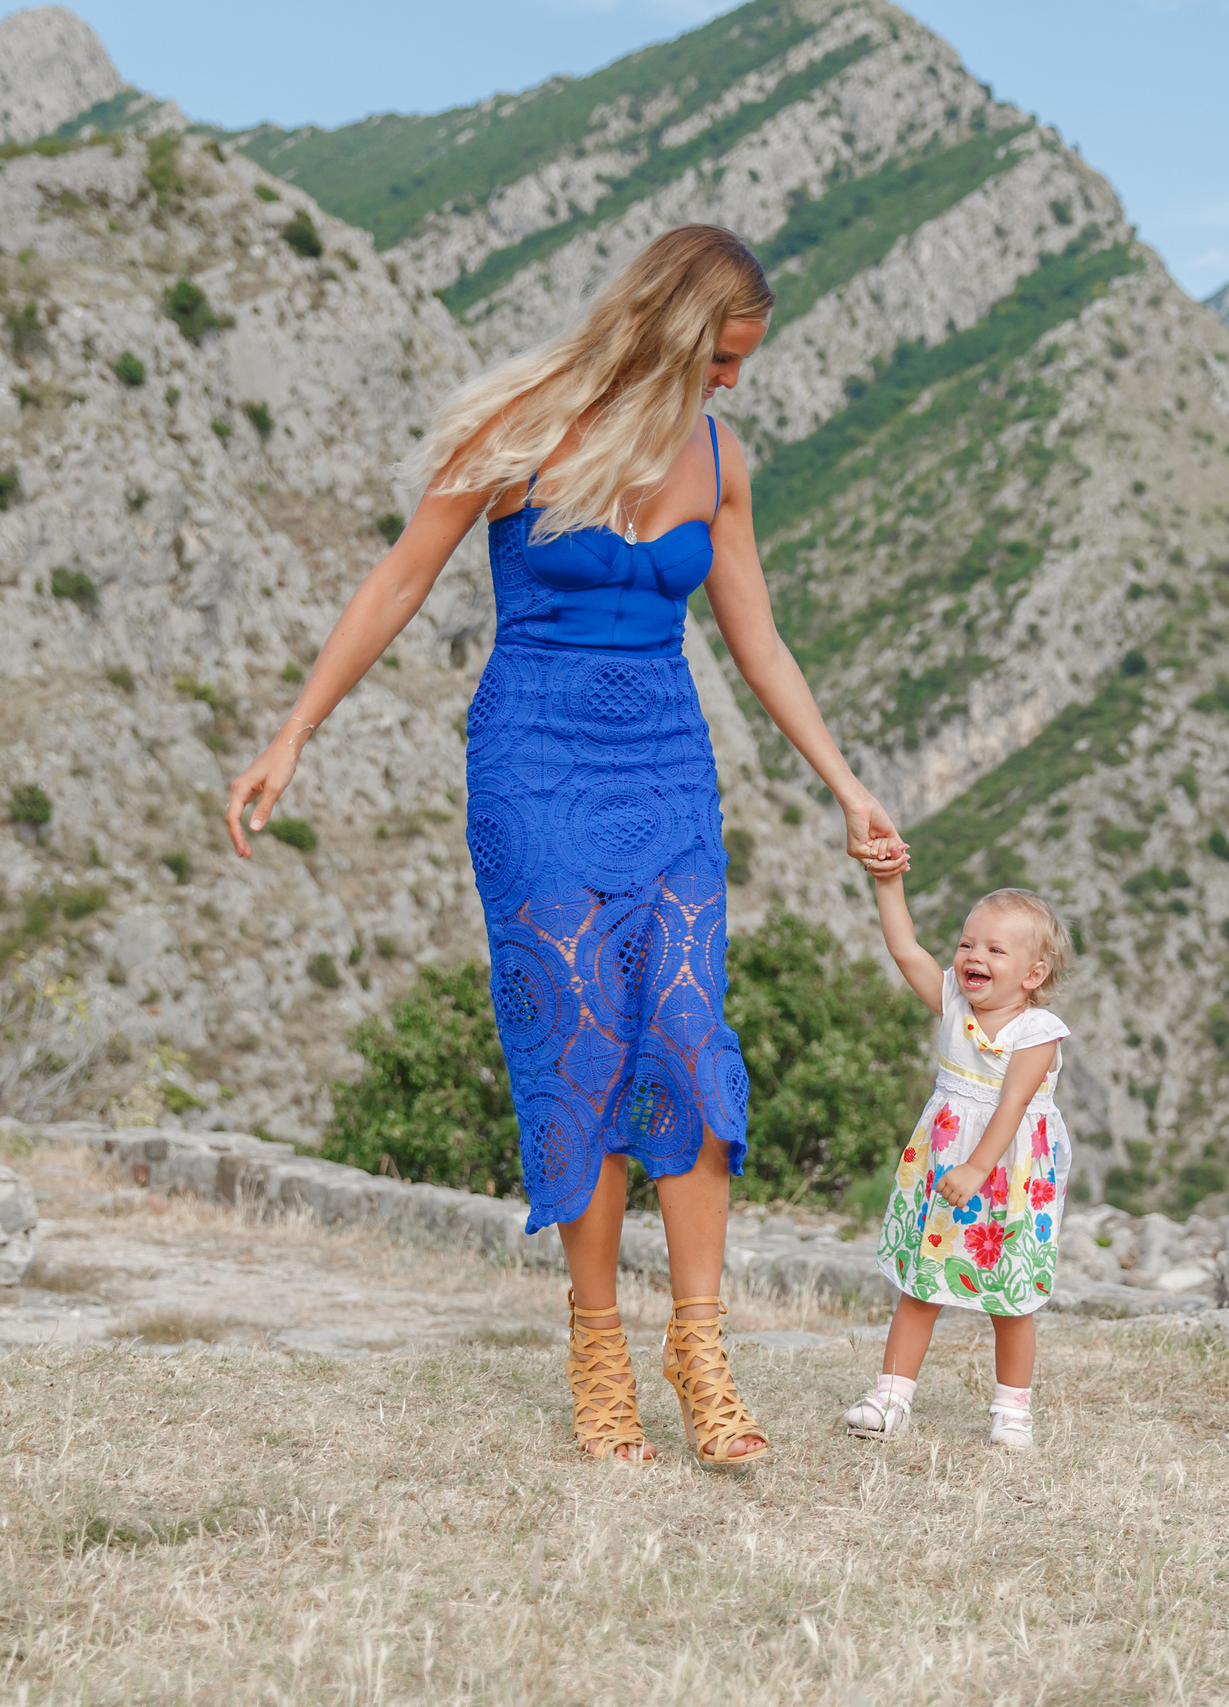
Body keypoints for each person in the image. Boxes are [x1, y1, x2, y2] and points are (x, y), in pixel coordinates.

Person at [223, 225, 903, 1468]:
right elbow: (396, 584)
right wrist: (292, 735)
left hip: (667, 762)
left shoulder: (717, 453)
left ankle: (700, 1351)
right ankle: (600, 1356)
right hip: (534, 761)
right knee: (581, 1042)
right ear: (673, 329)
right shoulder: (521, 428)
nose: (735, 381)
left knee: (690, 1035)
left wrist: (846, 785)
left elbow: (756, 639)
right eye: (725, 356)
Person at [842, 851, 1073, 1451]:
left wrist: (978, 1166)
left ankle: (1012, 1412)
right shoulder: (953, 1004)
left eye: (996, 950)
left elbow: (1013, 1106)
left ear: (1032, 975)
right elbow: (905, 950)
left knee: (1011, 1298)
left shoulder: (1037, 1035)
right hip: (946, 1166)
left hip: (1011, 1173)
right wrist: (889, 882)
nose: (975, 956)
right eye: (970, 943)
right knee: (922, 1283)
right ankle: (890, 1397)